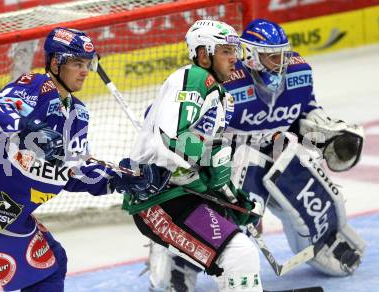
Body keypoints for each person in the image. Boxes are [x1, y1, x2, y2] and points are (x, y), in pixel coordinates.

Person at [148, 18, 367, 291]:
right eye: (273, 56)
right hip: (228, 160)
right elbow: (175, 119)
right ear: (250, 56)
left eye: (283, 54)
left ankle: (325, 239)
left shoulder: (298, 73)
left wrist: (321, 130)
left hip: (275, 150)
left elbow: (303, 114)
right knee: (225, 217)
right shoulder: (223, 79)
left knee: (303, 177)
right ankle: (178, 262)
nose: (282, 62)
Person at [0, 27, 168, 291]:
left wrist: (121, 178)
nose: (85, 71)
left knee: (55, 260)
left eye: (87, 64)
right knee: (44, 279)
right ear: (54, 63)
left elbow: (74, 172)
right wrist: (28, 127)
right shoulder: (35, 87)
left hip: (7, 206)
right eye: (76, 63)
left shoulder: (78, 114)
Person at [119, 20, 263, 292]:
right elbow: (171, 140)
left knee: (236, 257)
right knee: (238, 253)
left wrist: (233, 199)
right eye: (225, 51)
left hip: (183, 195)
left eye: (235, 51)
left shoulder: (221, 97)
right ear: (203, 54)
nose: (235, 58)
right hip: (159, 200)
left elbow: (202, 155)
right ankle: (164, 264)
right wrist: (206, 164)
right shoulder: (195, 78)